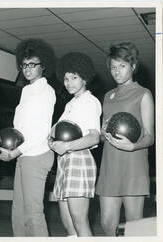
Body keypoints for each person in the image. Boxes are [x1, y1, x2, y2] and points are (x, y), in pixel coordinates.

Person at [0, 38, 56, 236]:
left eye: (32, 65)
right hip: (24, 155)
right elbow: (20, 129)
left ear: (43, 66)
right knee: (18, 211)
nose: (27, 69)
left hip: (36, 155)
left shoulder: (46, 91)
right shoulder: (26, 91)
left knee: (33, 212)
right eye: (24, 65)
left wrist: (15, 152)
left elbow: (40, 133)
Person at [95, 42, 155, 236]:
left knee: (134, 227)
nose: (116, 71)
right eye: (113, 67)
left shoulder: (143, 94)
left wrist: (133, 146)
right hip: (110, 165)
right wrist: (103, 133)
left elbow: (150, 136)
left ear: (133, 66)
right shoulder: (107, 96)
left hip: (133, 165)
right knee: (106, 223)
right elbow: (106, 136)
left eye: (122, 66)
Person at [48, 52, 102, 236]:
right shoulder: (70, 104)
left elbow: (95, 137)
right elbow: (57, 132)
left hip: (79, 160)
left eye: (74, 77)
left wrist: (66, 146)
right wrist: (52, 141)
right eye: (66, 78)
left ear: (85, 78)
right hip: (64, 162)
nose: (68, 82)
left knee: (79, 222)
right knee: (68, 224)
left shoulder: (90, 101)